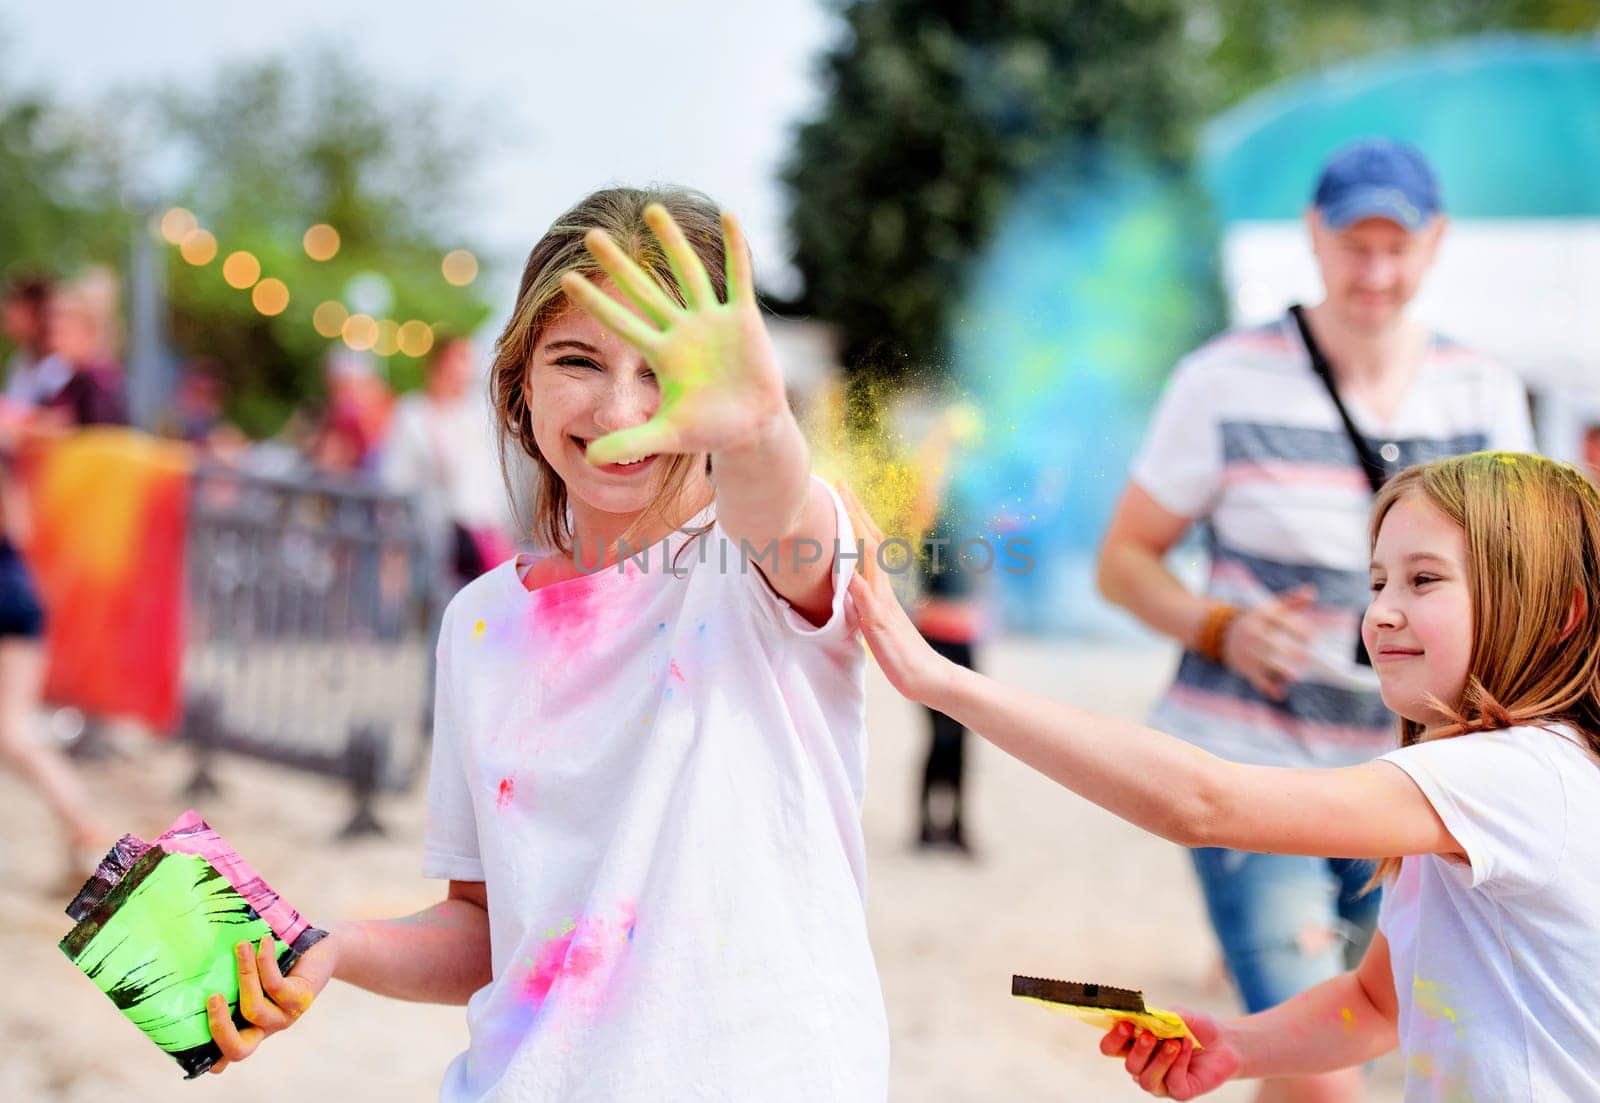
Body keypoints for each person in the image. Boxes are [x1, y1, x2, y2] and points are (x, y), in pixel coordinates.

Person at [204, 187, 888, 1100]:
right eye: (578, 359)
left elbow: (787, 506)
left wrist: (761, 426)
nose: (620, 408)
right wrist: (341, 945)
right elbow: (494, 930)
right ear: (518, 376)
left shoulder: (771, 559)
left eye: (663, 369)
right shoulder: (479, 623)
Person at [841, 450, 1600, 1102]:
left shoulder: (1518, 775)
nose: (1382, 614)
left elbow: (1204, 802)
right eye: (1377, 583)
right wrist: (1236, 1046)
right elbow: (1374, 1003)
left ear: (1559, 612)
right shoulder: (1484, 786)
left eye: (1424, 580)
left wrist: (938, 678)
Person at [1094, 138, 1531, 1103]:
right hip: (1251, 770)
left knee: (1316, 1053)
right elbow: (1122, 561)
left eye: (1397, 246)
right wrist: (1220, 626)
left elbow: (1525, 587)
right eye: (1352, 244)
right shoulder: (1222, 378)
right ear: (1313, 238)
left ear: (1437, 243)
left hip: (1415, 786)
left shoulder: (1484, 390)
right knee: (1328, 1081)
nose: (1375, 271)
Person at [380, 334, 517, 589]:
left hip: (477, 534)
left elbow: (487, 482)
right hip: (428, 533)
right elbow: (396, 479)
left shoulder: (476, 417)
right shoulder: (413, 413)